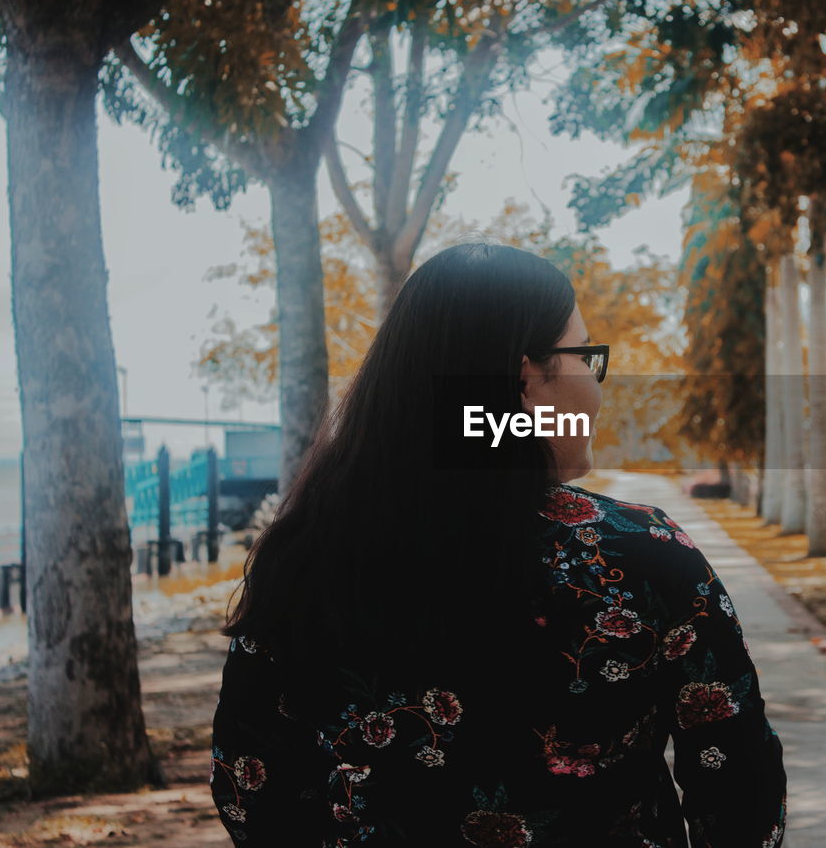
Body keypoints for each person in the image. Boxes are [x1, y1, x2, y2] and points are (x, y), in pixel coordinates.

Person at [210, 243, 787, 846]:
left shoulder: (307, 560)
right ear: (523, 379)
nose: (596, 387)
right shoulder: (644, 558)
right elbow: (740, 789)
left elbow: (251, 790)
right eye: (586, 357)